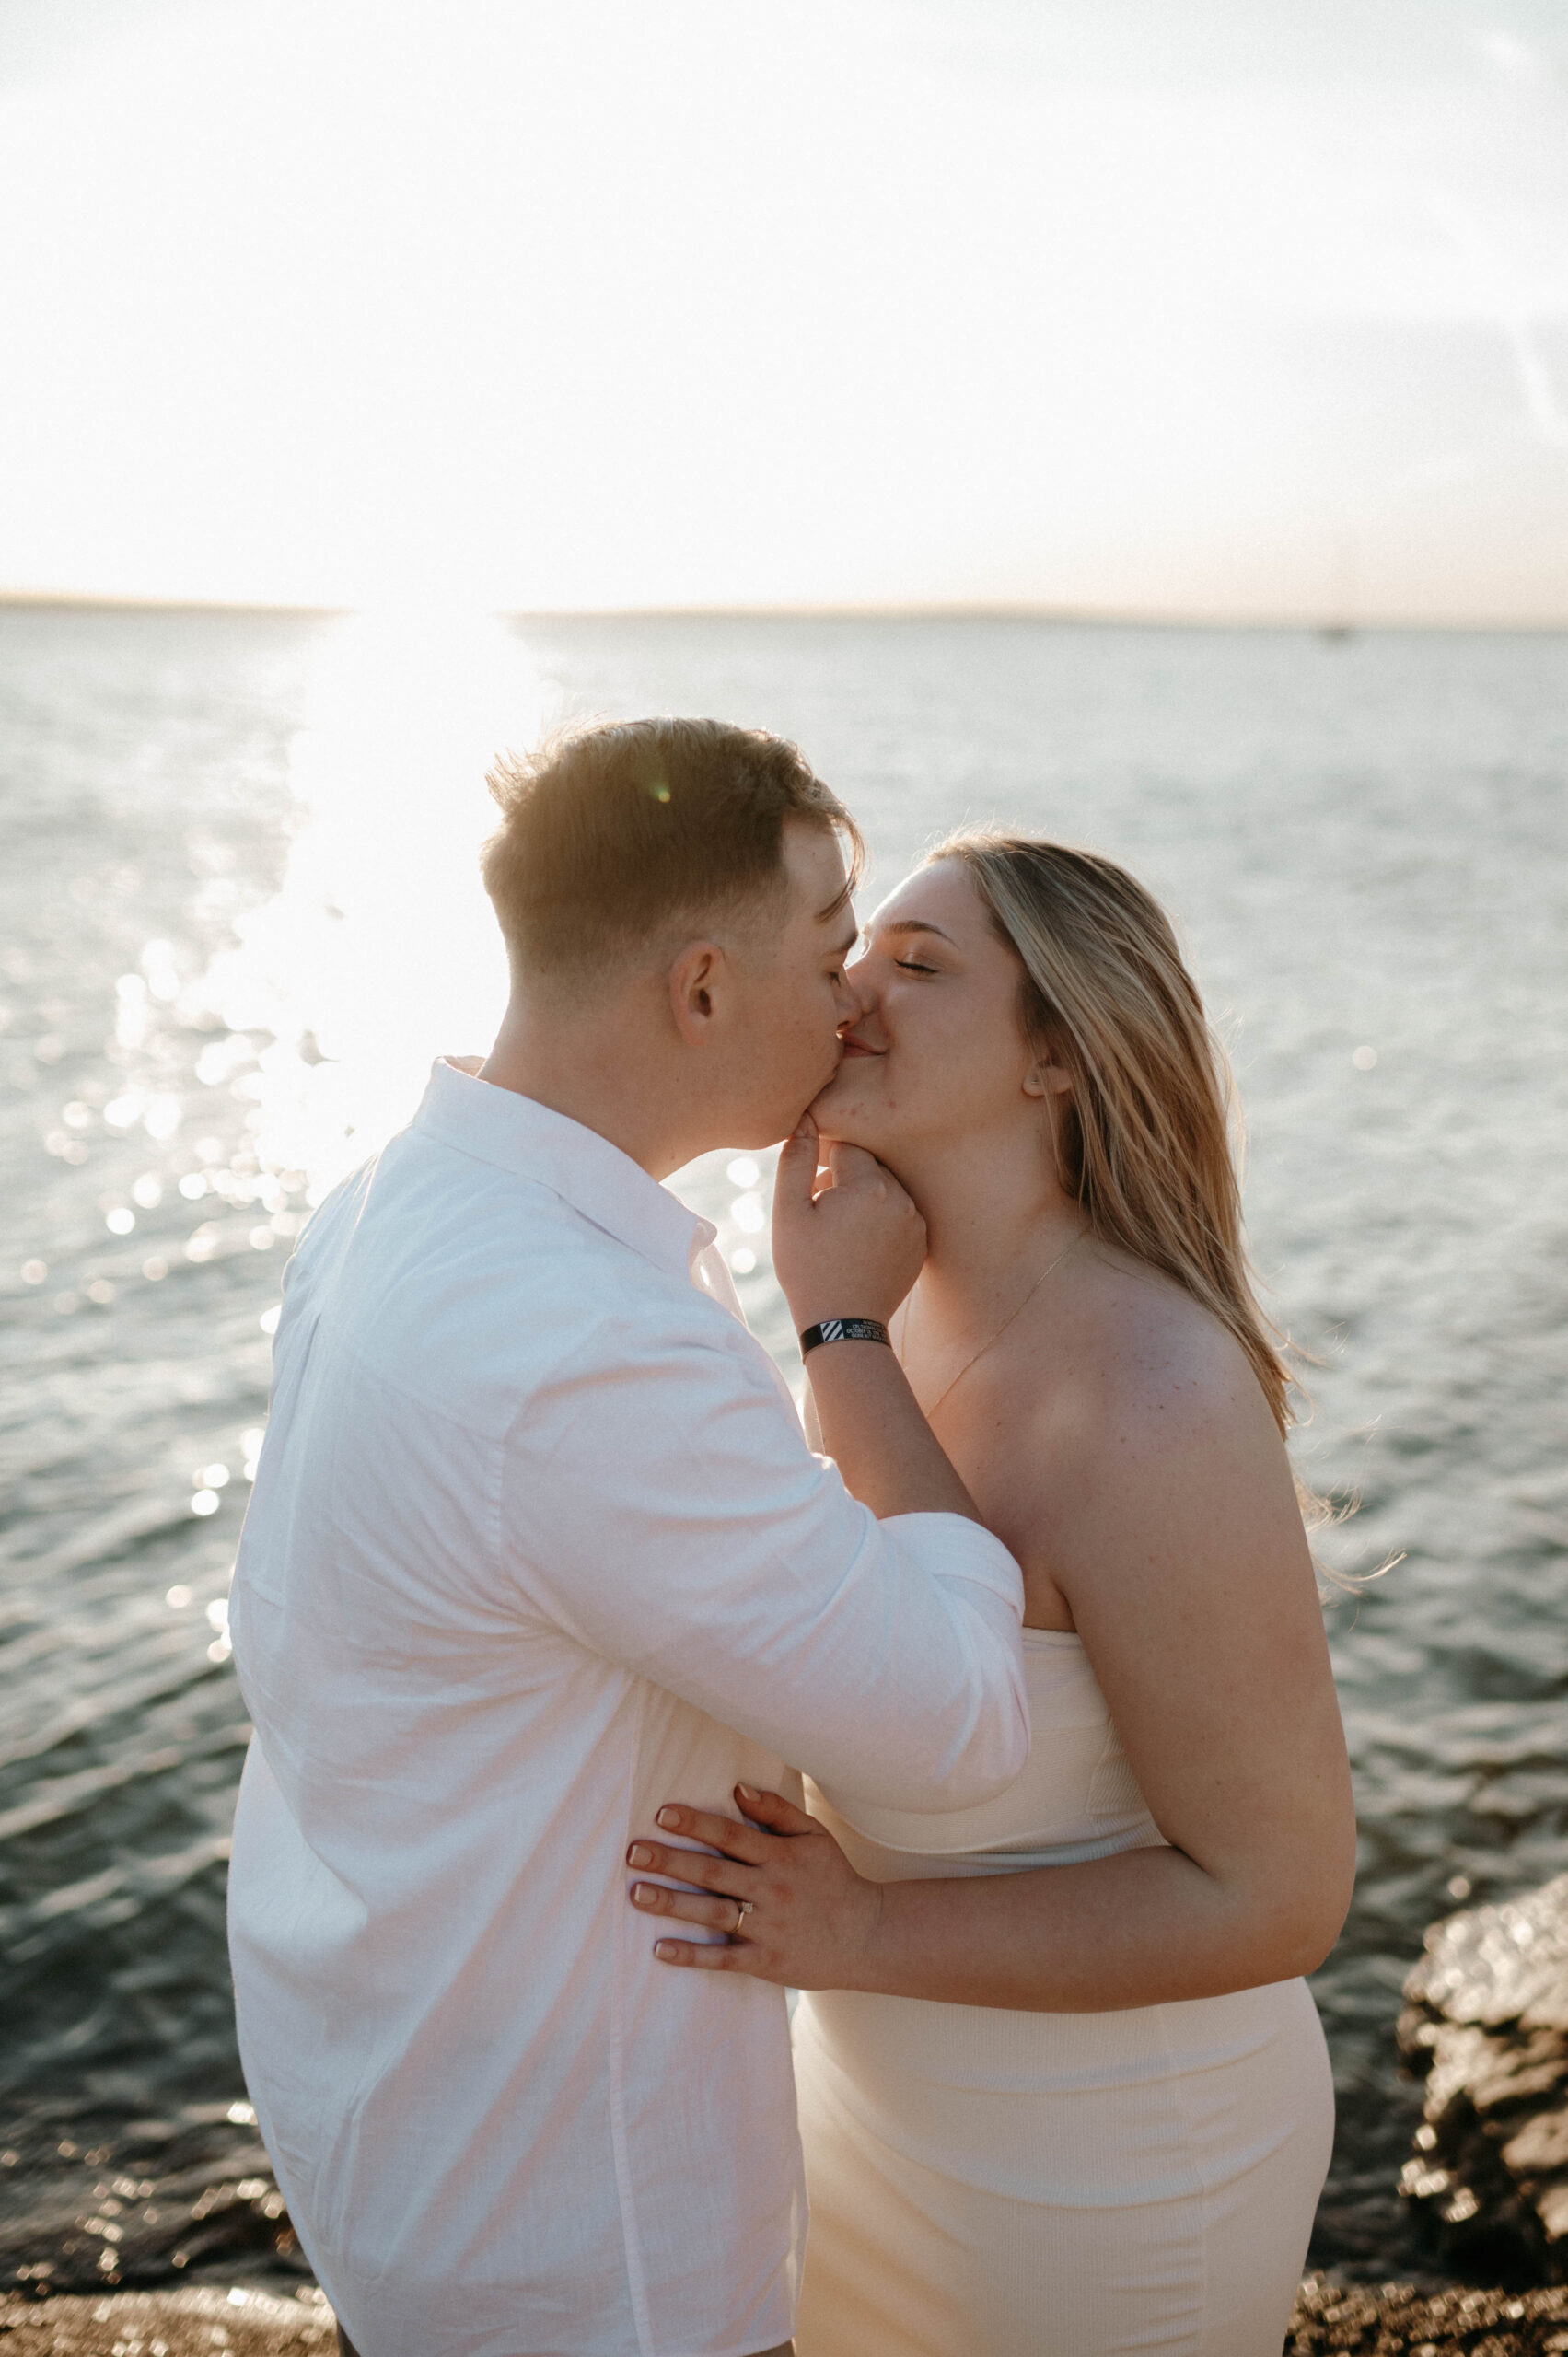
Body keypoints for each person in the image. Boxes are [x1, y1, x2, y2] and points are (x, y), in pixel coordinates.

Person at [226, 726, 1032, 2357]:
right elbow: (963, 1723)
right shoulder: (581, 1346)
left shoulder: (400, 1199)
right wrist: (851, 1333)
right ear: (706, 989)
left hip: (399, 2105)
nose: (856, 1000)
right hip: (582, 2248)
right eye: (830, 953)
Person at [622, 831, 1357, 2357]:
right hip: (868, 2105)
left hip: (1107, 2170)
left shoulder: (1151, 1391)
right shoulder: (872, 1320)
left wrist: (862, 1935)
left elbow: (1281, 1894)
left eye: (923, 965)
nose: (851, 987)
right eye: (856, 955)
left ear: (1060, 1058)